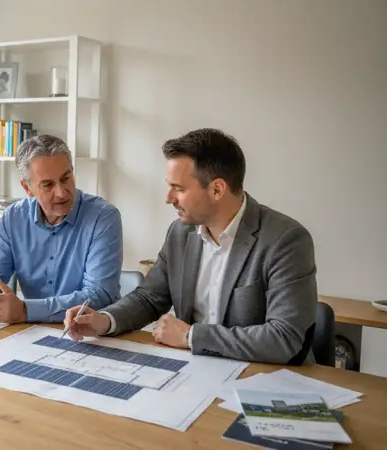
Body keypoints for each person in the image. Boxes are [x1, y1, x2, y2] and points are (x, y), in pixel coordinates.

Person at [64, 128, 318, 365]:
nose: (168, 198)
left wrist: (191, 337)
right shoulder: (180, 232)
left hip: (263, 379)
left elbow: (284, 338)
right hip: (195, 372)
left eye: (178, 188)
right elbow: (150, 297)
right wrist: (104, 320)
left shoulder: (285, 240)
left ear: (217, 189)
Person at [0, 134, 122, 325]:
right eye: (48, 185)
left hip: (92, 334)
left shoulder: (103, 217)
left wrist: (26, 310)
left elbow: (99, 294)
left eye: (66, 178)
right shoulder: (14, 218)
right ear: (27, 188)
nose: (61, 192)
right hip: (30, 332)